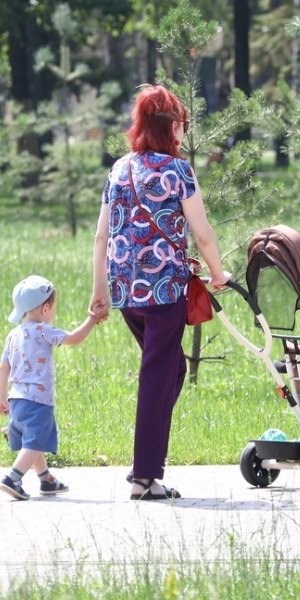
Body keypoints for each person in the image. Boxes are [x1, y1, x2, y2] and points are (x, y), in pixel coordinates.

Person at [90, 86, 231, 502]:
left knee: (171, 371)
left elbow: (101, 236)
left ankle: (147, 468)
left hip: (126, 290)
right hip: (164, 289)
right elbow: (202, 234)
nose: (184, 130)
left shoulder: (118, 169)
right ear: (172, 126)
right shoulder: (177, 171)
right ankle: (144, 476)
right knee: (157, 376)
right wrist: (219, 275)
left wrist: (100, 292)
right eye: (182, 123)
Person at [0, 275, 100, 501]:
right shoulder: (43, 330)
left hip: (16, 400)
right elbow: (73, 338)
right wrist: (92, 320)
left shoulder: (12, 335)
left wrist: (1, 398)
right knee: (37, 441)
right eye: (53, 308)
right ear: (45, 309)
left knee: (32, 439)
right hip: (38, 401)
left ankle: (46, 479)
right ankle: (13, 478)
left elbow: (3, 369)